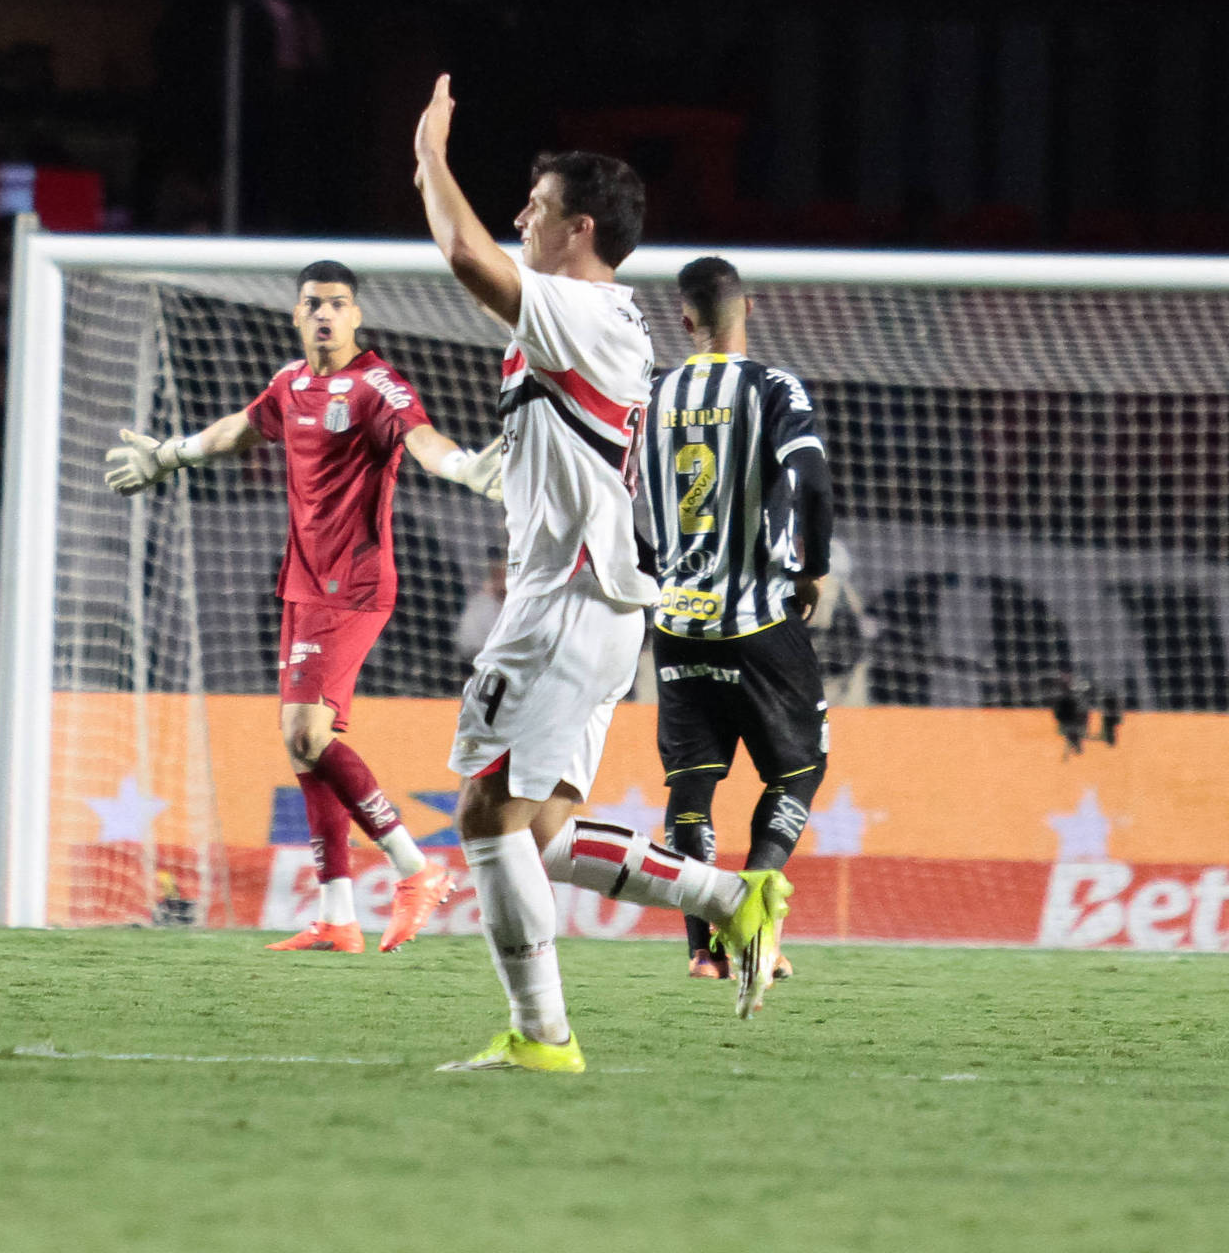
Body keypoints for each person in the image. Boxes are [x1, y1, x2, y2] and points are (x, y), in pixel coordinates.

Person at [409, 73, 791, 1074]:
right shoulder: (602, 324)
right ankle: (730, 899)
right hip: (601, 599)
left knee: (487, 813)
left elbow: (461, 254)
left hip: (566, 600)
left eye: (531, 210)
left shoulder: (578, 309)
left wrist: (429, 157)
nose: (515, 222)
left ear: (577, 228)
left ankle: (543, 1038)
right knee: (539, 830)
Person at [105, 260, 500, 954]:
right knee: (304, 749)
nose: (324, 314)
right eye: (313, 303)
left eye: (338, 304)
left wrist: (464, 465)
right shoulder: (291, 383)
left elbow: (421, 438)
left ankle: (416, 868)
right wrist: (169, 456)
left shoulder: (377, 384)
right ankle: (338, 914)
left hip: (352, 584)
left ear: (356, 317)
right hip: (301, 584)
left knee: (306, 735)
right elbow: (242, 429)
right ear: (296, 314)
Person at [644, 257, 832, 984]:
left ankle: (702, 948)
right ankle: (755, 915)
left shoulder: (652, 392)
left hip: (675, 620)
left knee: (692, 784)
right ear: (746, 311)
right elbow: (810, 474)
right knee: (801, 768)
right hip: (756, 619)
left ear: (685, 320)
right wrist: (812, 567)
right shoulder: (771, 386)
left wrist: (650, 569)